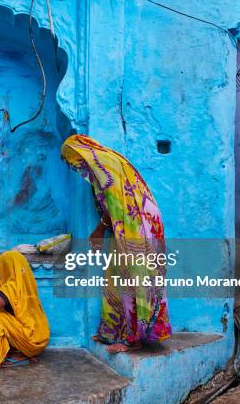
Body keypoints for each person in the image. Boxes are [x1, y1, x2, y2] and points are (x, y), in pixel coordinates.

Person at [61, 134, 172, 353]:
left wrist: (100, 230)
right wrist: (102, 229)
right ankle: (114, 331)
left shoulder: (107, 165)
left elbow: (118, 204)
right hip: (127, 223)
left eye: (74, 159)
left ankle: (134, 338)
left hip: (139, 224)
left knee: (136, 277)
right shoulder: (100, 168)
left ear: (84, 151)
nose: (75, 165)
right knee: (116, 276)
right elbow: (113, 206)